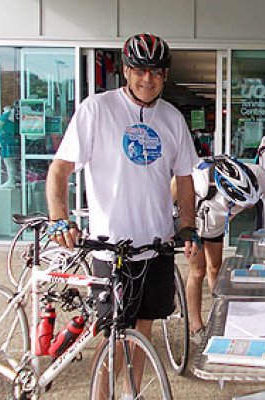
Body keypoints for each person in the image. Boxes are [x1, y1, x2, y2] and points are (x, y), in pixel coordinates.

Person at [45, 32, 199, 397]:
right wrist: (59, 217)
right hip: (110, 248)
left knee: (142, 330)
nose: (148, 79)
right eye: (140, 70)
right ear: (127, 71)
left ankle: (130, 394)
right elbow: (60, 170)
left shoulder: (172, 119)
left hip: (155, 246)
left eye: (156, 72)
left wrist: (189, 226)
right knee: (111, 336)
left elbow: (186, 178)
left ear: (165, 75)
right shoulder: (97, 109)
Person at [172, 155, 265, 343]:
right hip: (194, 223)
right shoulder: (200, 179)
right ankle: (196, 326)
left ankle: (221, 314)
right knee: (198, 271)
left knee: (216, 268)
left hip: (215, 225)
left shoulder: (257, 174)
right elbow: (175, 183)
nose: (247, 207)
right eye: (242, 204)